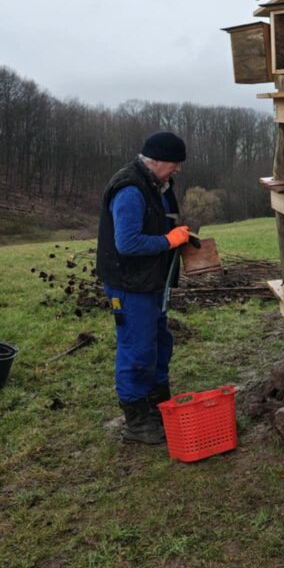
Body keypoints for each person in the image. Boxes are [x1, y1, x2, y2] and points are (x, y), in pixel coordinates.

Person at [96, 131, 192, 445]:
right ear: (156, 160)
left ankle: (157, 406)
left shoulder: (156, 184)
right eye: (174, 163)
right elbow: (127, 243)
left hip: (150, 282)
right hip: (129, 285)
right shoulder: (130, 190)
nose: (177, 169)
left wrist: (177, 236)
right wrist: (168, 241)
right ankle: (136, 423)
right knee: (137, 350)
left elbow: (157, 223)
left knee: (159, 343)